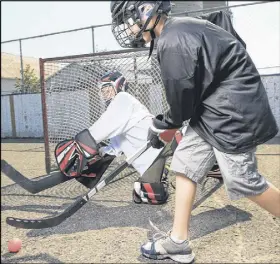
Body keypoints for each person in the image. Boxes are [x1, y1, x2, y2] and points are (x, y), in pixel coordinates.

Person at [110, 1, 280, 263]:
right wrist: (166, 124)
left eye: (127, 20)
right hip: (214, 107)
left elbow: (181, 105)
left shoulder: (172, 40)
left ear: (144, 10)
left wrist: (163, 125)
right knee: (185, 162)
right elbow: (187, 98)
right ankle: (178, 242)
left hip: (233, 110)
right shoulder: (172, 33)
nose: (127, 28)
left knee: (243, 180)